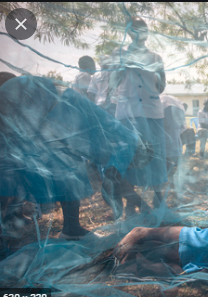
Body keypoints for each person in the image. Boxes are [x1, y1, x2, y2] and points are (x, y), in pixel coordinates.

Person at [0, 73, 145, 239]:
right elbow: (125, 138)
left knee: (59, 167)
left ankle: (70, 227)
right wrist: (112, 174)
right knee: (62, 167)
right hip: (50, 111)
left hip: (40, 116)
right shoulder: (105, 132)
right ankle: (70, 227)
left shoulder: (93, 133)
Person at [109, 16, 168, 208]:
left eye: (142, 29)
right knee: (131, 157)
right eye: (134, 29)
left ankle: (159, 202)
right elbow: (113, 82)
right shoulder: (119, 55)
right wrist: (122, 65)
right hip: (128, 113)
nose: (138, 33)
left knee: (156, 155)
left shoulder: (156, 58)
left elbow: (161, 86)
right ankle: (131, 204)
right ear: (128, 33)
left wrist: (152, 83)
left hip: (152, 113)